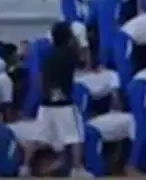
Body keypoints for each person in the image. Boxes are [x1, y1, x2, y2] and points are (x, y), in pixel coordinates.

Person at [33, 23, 91, 177]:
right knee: (75, 136)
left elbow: (40, 78)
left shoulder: (47, 55)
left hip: (46, 103)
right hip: (64, 103)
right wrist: (78, 43)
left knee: (39, 137)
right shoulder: (69, 53)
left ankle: (25, 167)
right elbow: (84, 64)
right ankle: (77, 170)